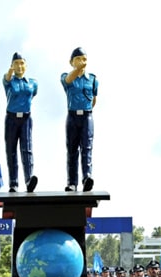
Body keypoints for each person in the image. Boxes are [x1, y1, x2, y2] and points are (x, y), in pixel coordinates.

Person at [61, 47, 98, 192]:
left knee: (87, 147)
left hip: (87, 116)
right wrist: (78, 69)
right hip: (72, 116)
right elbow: (69, 80)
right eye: (78, 59)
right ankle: (72, 182)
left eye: (84, 59)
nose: (82, 62)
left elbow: (94, 99)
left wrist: (87, 108)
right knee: (72, 149)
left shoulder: (93, 79)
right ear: (71, 62)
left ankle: (87, 177)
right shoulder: (66, 77)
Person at [3, 51, 38, 193]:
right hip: (11, 118)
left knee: (27, 149)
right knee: (11, 150)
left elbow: (33, 95)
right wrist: (10, 70)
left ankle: (29, 179)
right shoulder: (9, 81)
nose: (19, 66)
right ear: (12, 65)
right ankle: (13, 183)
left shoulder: (32, 83)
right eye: (16, 63)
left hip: (25, 118)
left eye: (22, 63)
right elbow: (6, 78)